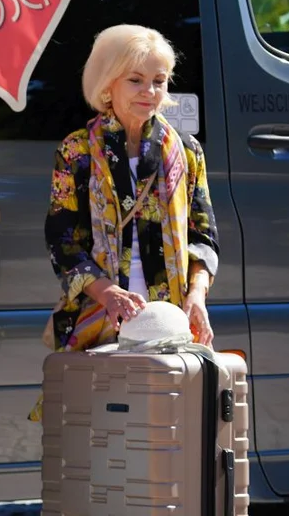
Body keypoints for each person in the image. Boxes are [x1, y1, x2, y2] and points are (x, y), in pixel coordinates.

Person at [41, 23, 218, 356]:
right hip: (97, 321)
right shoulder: (77, 151)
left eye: (158, 81)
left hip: (170, 323)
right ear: (108, 85)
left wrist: (197, 295)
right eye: (135, 80)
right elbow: (62, 242)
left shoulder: (186, 150)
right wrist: (108, 294)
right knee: (92, 407)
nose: (149, 91)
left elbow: (203, 236)